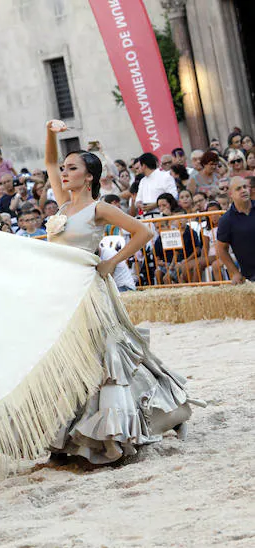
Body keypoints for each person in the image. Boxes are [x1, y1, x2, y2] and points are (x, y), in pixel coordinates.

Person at [42, 119, 202, 464]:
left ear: (89, 177)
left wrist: (111, 262)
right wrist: (50, 133)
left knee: (108, 361)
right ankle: (73, 436)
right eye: (65, 168)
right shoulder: (62, 204)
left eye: (73, 168)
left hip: (90, 294)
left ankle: (143, 422)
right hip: (62, 295)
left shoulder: (98, 208)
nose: (65, 172)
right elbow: (49, 163)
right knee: (71, 364)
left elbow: (143, 232)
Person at [215, 177, 255, 283]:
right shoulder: (226, 220)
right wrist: (235, 272)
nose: (243, 190)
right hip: (251, 276)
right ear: (231, 194)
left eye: (245, 187)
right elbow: (221, 249)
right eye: (238, 189)